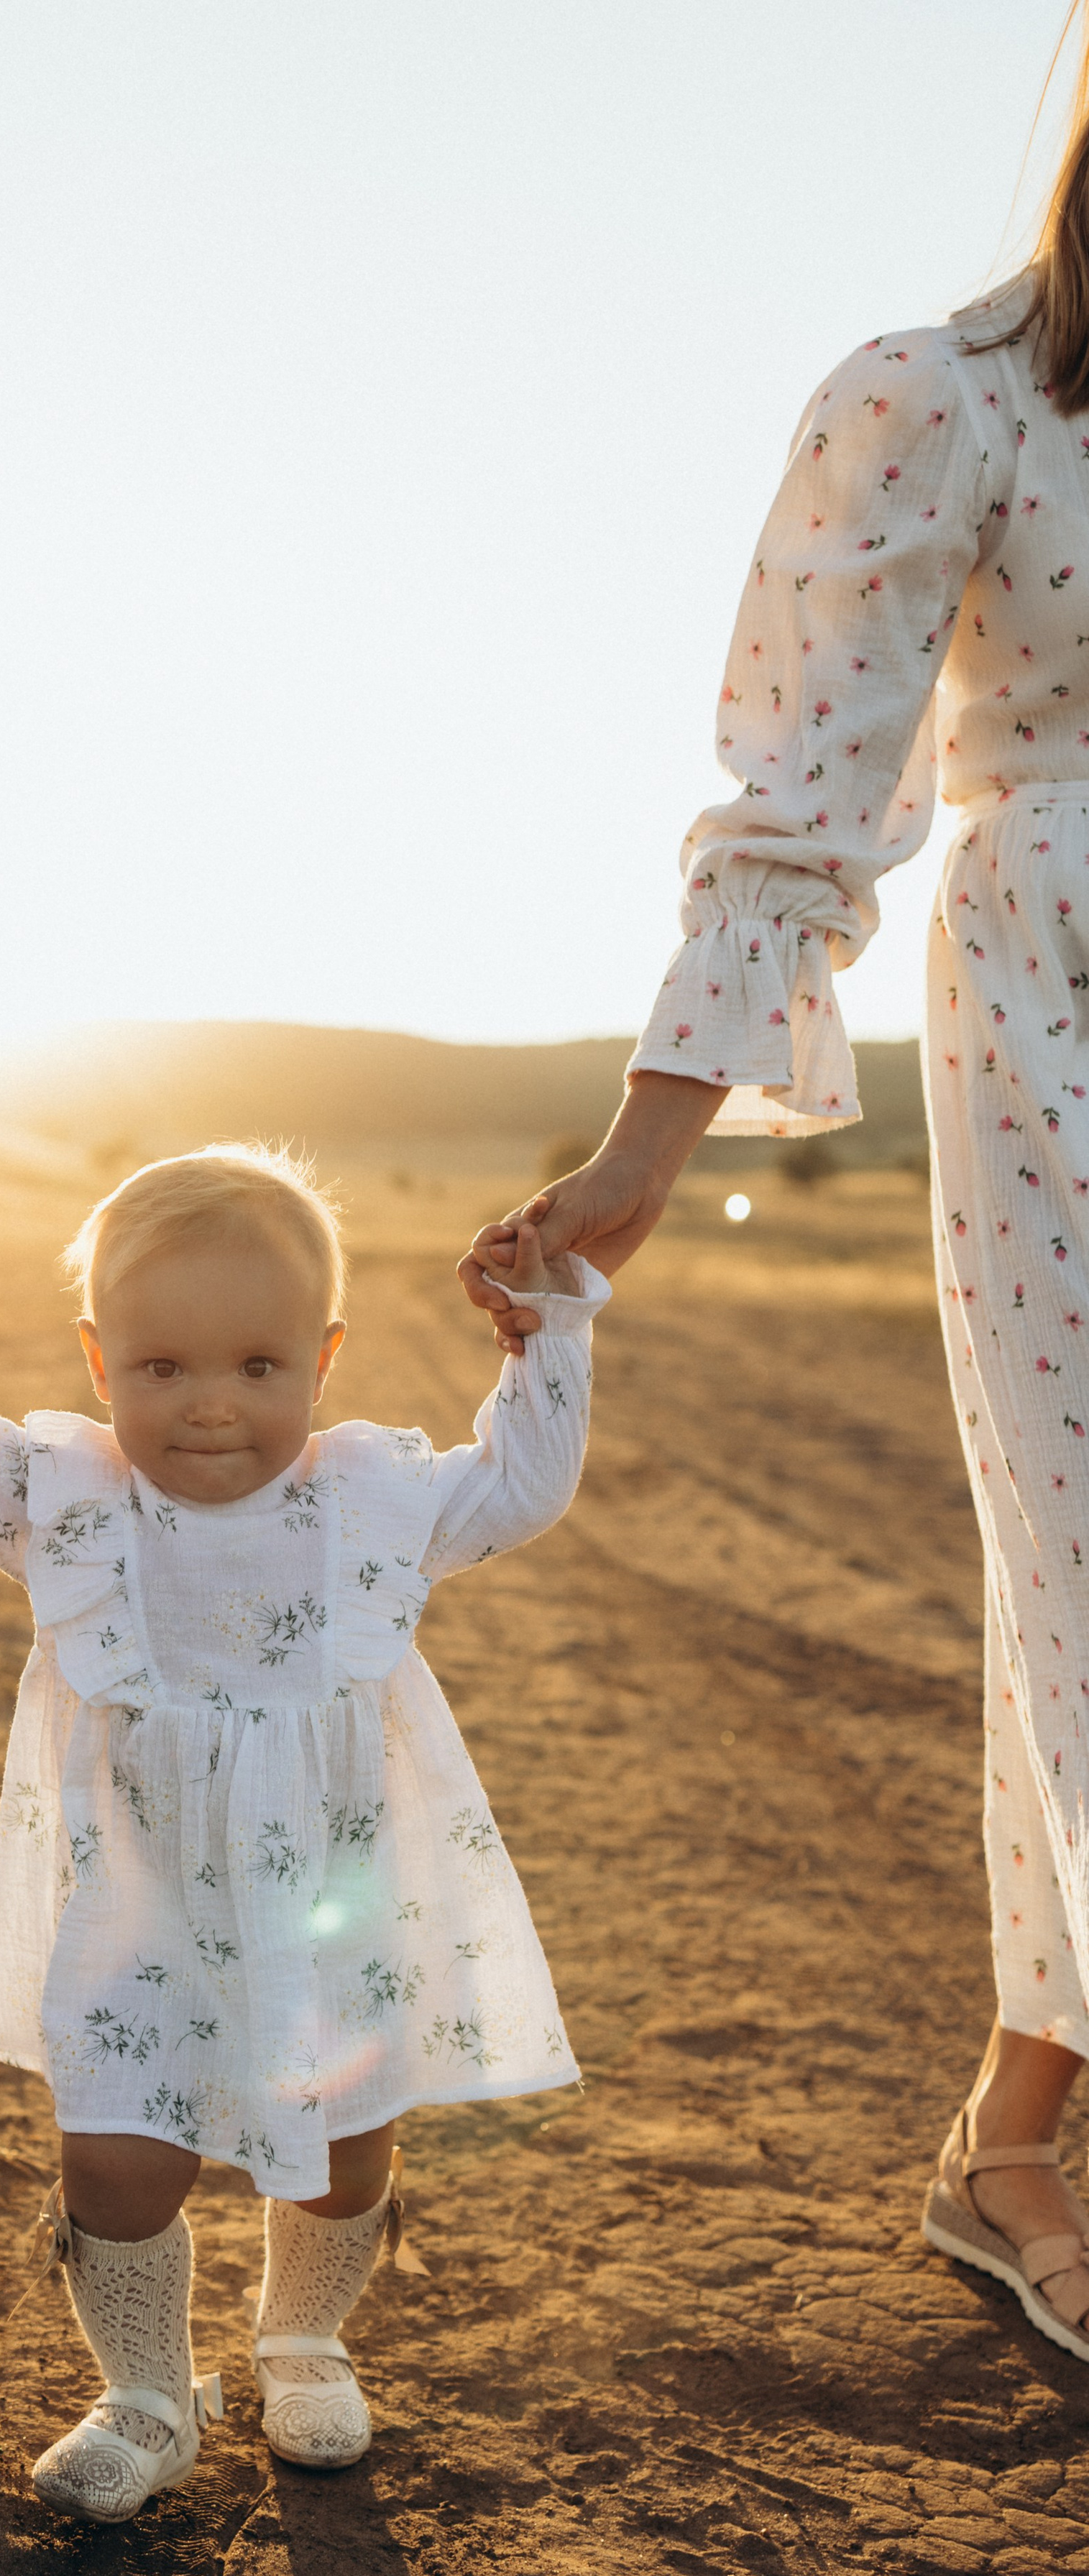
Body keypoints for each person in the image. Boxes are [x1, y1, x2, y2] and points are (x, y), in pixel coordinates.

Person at [462, 30, 1089, 2365]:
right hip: (1067, 1035)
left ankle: (1018, 2125)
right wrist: (645, 1152)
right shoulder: (956, 399)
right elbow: (807, 803)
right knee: (1087, 1590)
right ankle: (1023, 2139)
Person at [0, 1143, 606, 2518]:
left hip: (334, 1900)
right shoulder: (67, 1499)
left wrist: (548, 1330)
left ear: (324, 1357)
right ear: (99, 1361)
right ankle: (146, 2394)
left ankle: (304, 2340)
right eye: (163, 1368)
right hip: (143, 1906)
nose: (212, 1409)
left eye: (257, 1366)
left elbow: (522, 1485)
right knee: (116, 2154)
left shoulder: (370, 1499)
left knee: (353, 2140)